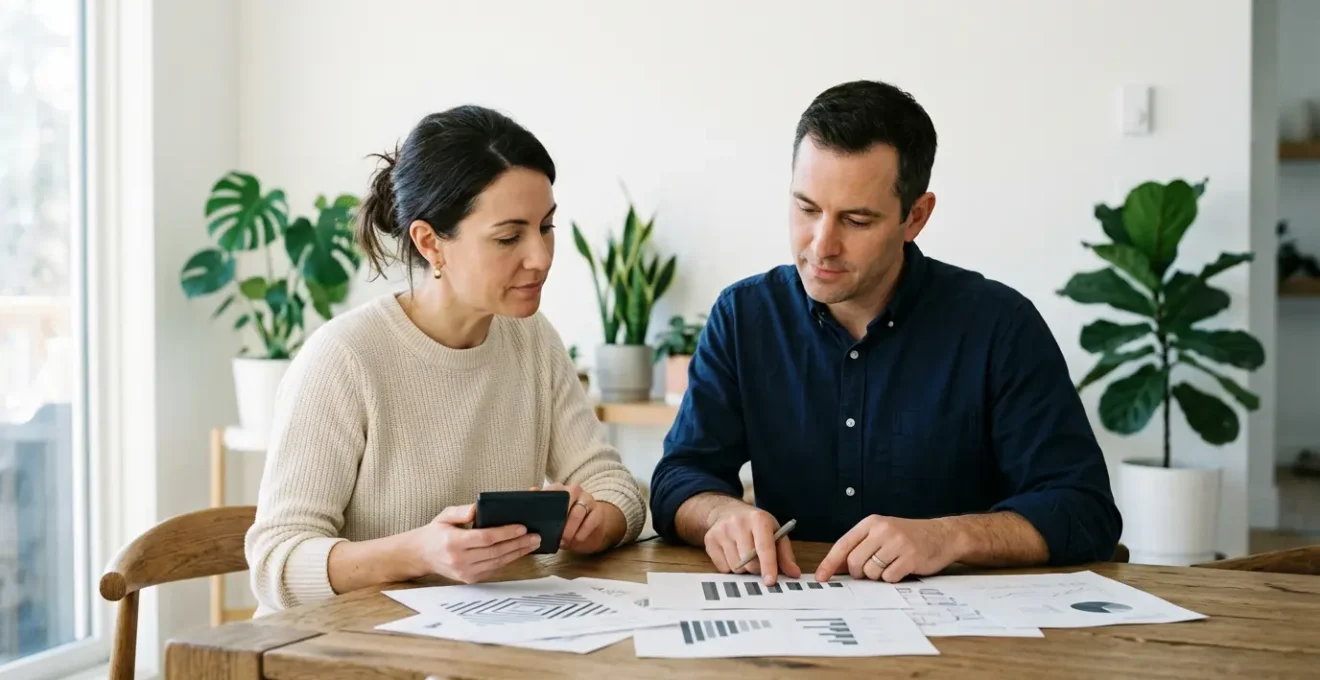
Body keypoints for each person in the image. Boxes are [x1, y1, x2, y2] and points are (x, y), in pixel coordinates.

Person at [649, 80, 1121, 586]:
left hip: (965, 641)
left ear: (915, 216)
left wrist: (947, 536)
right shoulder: (744, 316)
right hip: (793, 629)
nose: (821, 245)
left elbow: (1083, 508)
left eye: (856, 220)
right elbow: (679, 478)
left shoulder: (999, 326)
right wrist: (723, 516)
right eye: (806, 209)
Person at [245, 105, 647, 614]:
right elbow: (275, 564)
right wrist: (416, 553)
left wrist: (597, 522)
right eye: (509, 237)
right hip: (345, 653)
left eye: (546, 227)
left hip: (483, 638)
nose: (541, 257)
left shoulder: (533, 340)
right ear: (430, 242)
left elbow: (616, 489)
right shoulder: (345, 358)